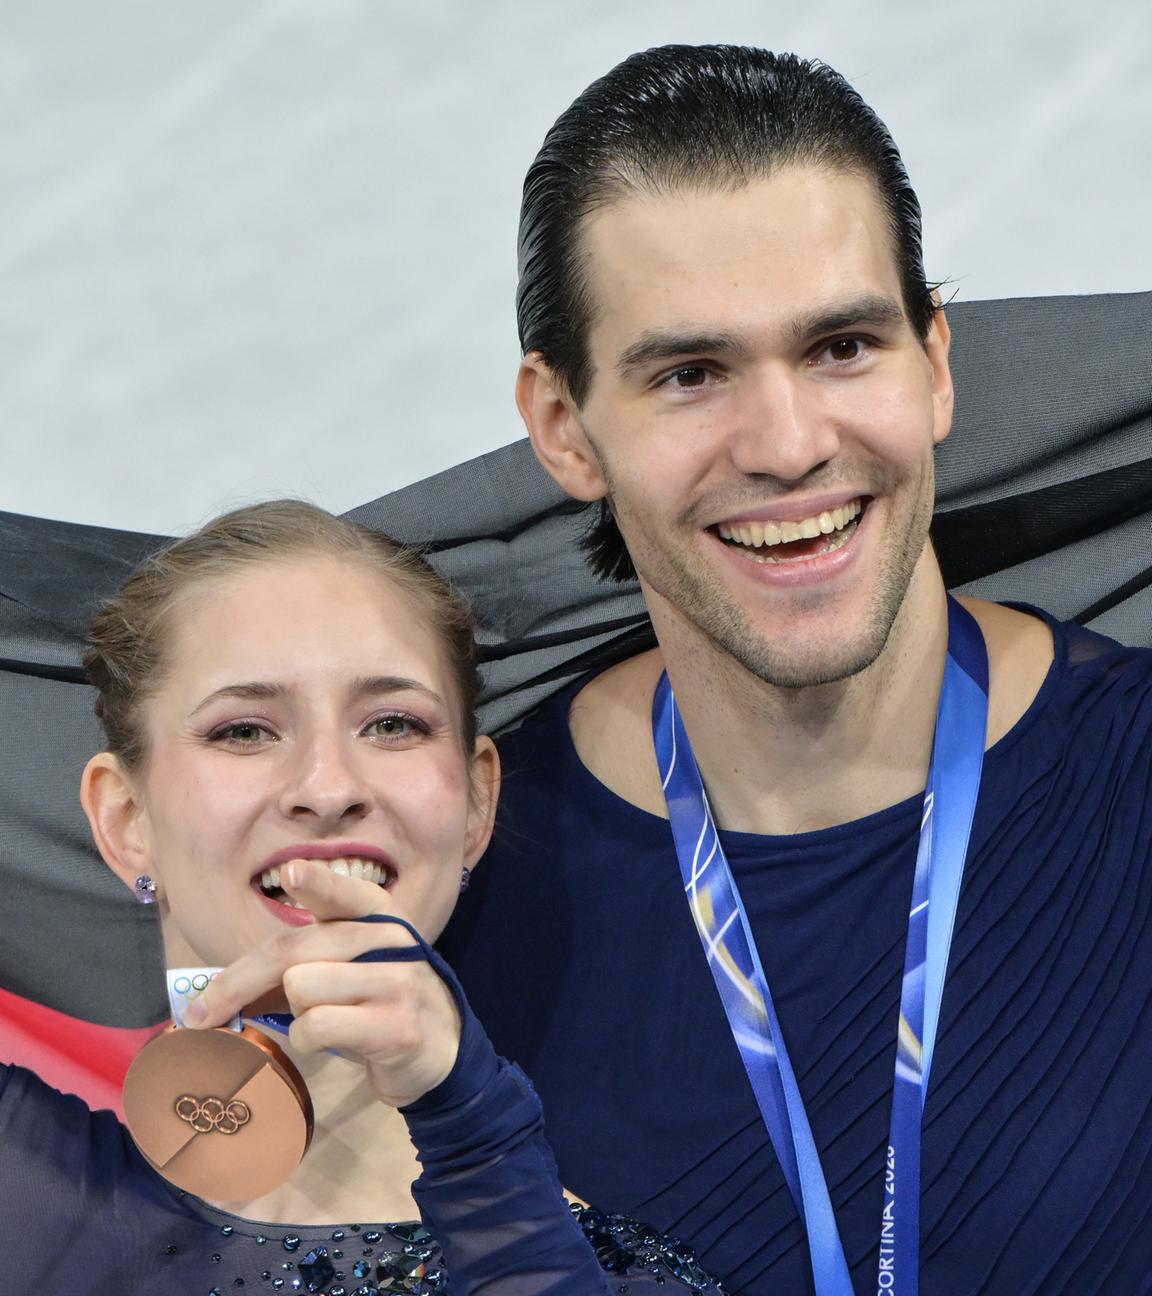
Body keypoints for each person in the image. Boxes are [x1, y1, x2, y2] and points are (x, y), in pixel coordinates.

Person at [439, 43, 1152, 1295]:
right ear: (564, 428)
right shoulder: (463, 890)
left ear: (934, 363)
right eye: (691, 374)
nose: (786, 444)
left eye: (841, 347)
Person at [0, 500, 722, 1294]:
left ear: (478, 802)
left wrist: (471, 1131)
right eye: (244, 730)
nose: (328, 787)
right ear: (125, 818)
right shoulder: (26, 1179)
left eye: (392, 724)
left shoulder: (618, 1278)